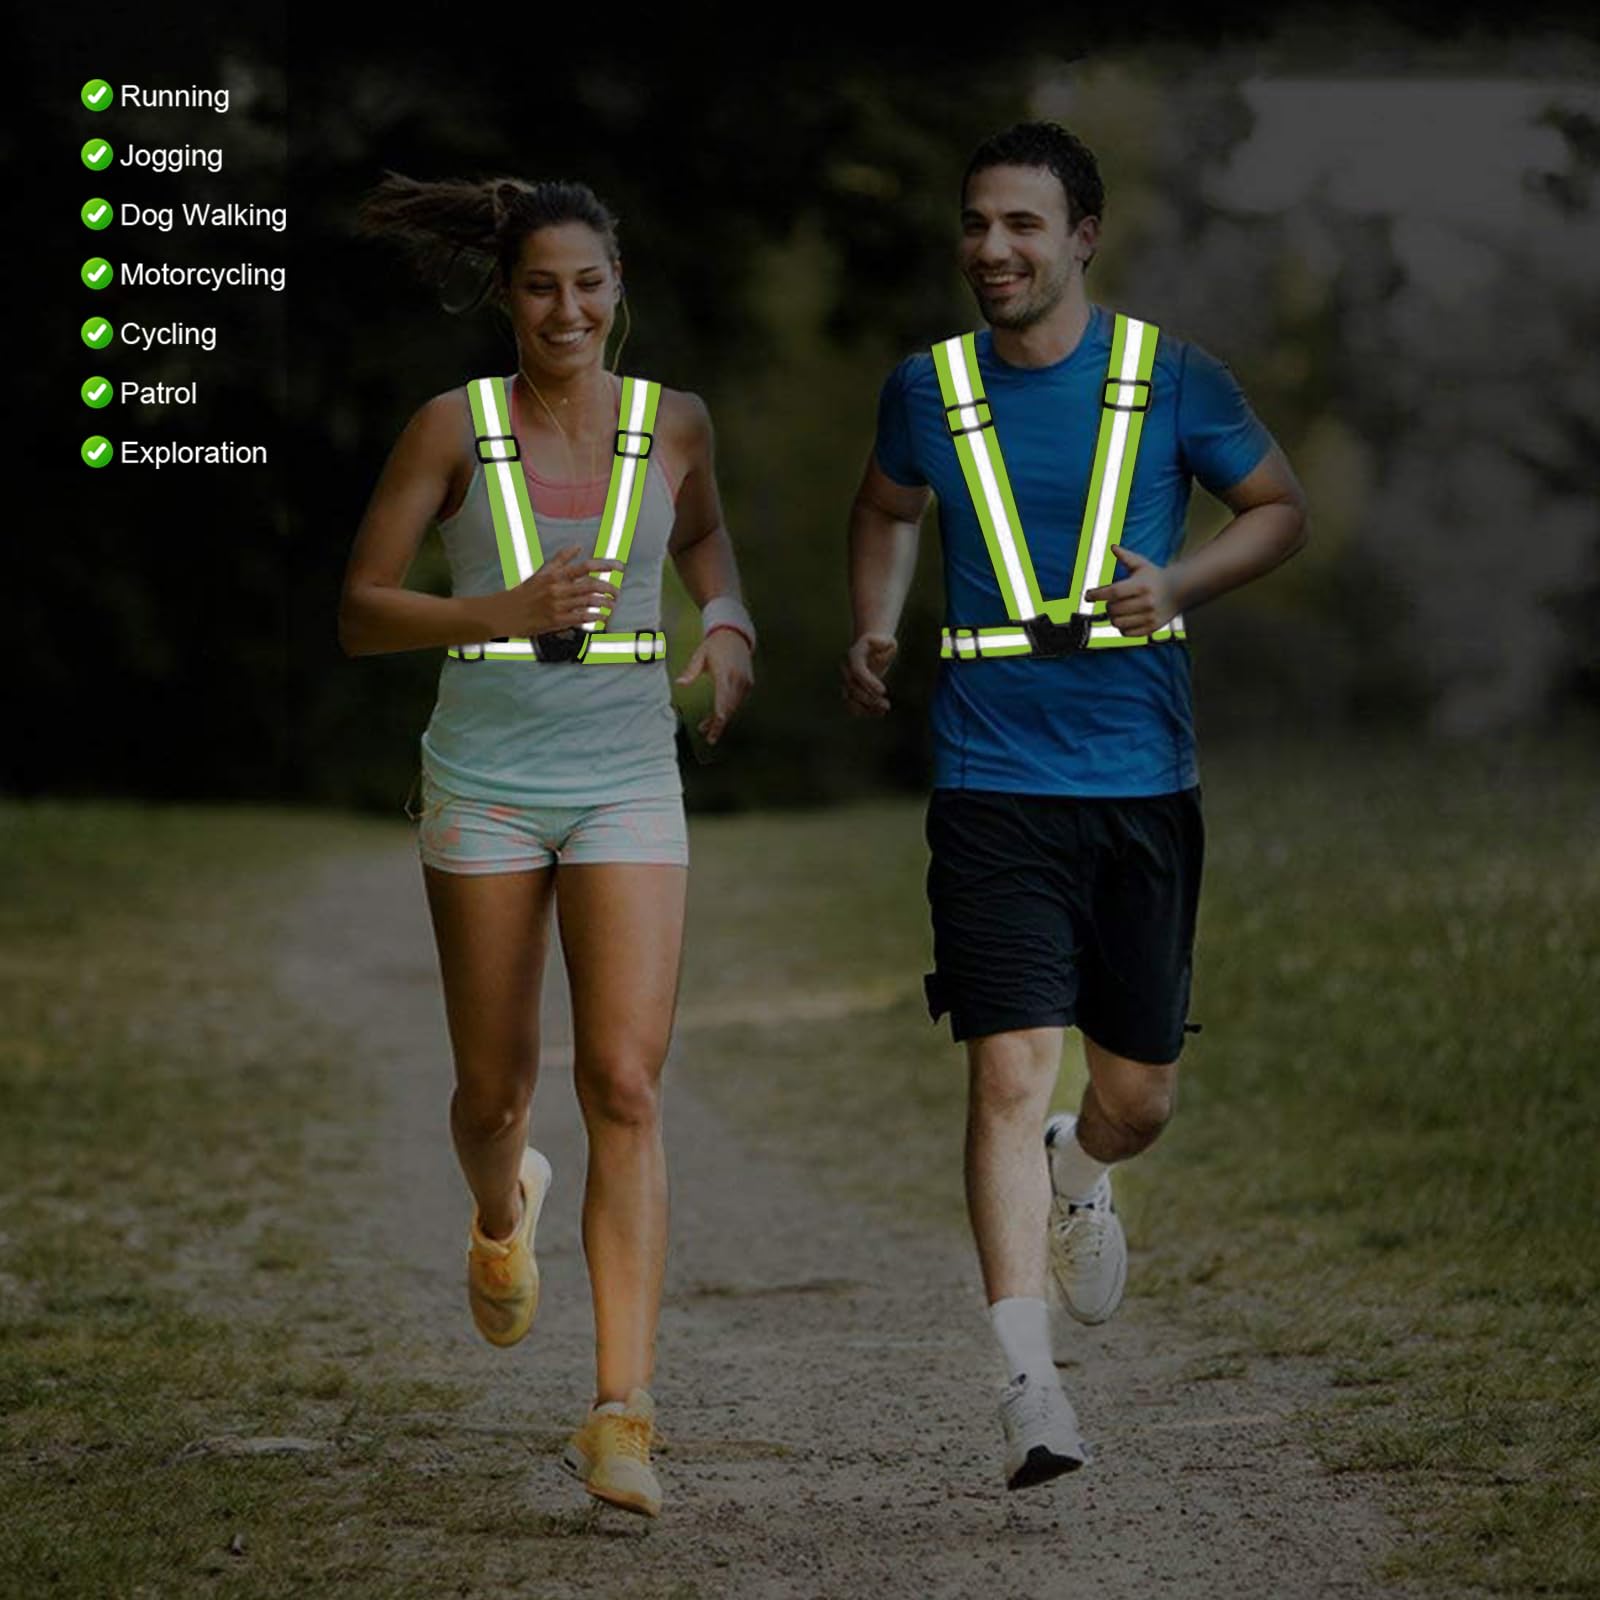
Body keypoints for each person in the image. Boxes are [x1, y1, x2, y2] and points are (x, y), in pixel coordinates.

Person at [841, 122, 1308, 1490]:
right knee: (1004, 1070)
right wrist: (874, 622)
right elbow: (886, 507)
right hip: (990, 783)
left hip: (1141, 784)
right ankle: (1028, 1388)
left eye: (1023, 225)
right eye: (976, 223)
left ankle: (1084, 1171)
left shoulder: (1174, 377)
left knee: (1139, 1099)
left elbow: (1278, 508)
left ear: (1083, 237)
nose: (991, 249)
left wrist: (1181, 582)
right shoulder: (926, 387)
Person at [339, 172, 756, 1518]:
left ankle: (621, 1413)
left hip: (628, 778)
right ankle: (499, 1210)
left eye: (587, 284)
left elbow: (705, 539)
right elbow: (361, 611)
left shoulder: (675, 422)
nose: (565, 310)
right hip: (485, 783)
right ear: (507, 297)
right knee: (494, 1095)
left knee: (625, 1085)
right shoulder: (450, 427)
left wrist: (727, 621)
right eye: (539, 287)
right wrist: (502, 610)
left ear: (618, 289)